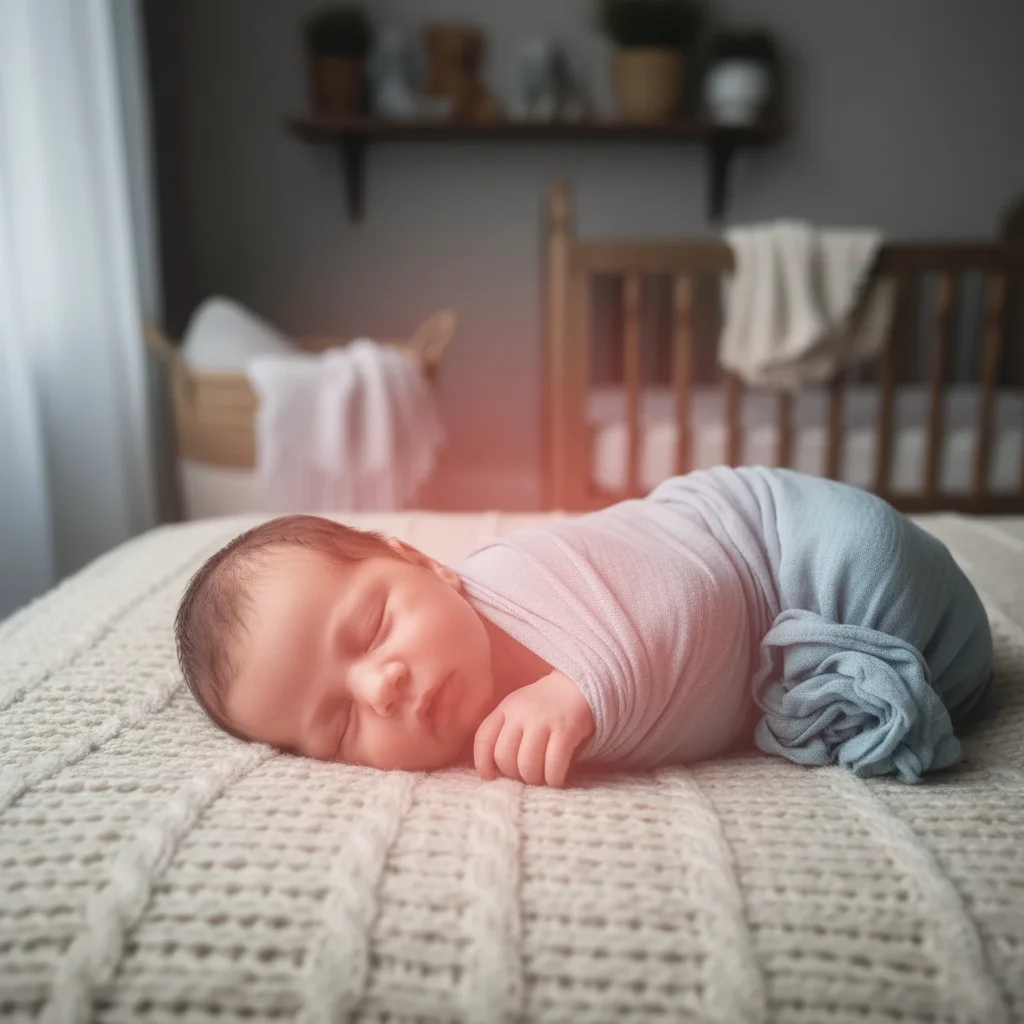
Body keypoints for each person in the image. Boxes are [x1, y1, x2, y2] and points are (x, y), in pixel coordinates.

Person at [175, 467, 994, 788]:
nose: (381, 687)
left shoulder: (524, 577)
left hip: (796, 547)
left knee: (871, 557)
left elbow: (696, 583)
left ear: (416, 559)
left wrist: (584, 689)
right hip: (778, 623)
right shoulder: (466, 735)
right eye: (340, 723)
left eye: (373, 627)